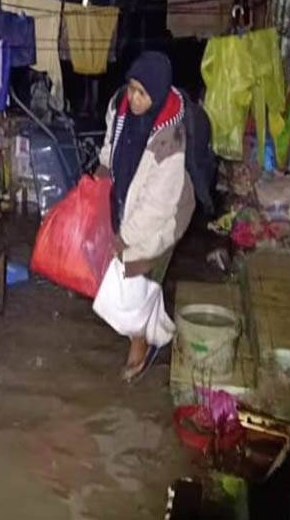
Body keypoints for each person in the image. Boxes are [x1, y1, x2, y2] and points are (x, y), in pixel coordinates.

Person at [94, 51, 195, 382]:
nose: (134, 99)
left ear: (159, 94)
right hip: (129, 200)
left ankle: (141, 345)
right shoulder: (119, 107)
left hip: (164, 217)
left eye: (142, 93)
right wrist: (103, 170)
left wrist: (125, 239)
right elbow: (112, 141)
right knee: (130, 279)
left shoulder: (170, 139)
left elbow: (157, 206)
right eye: (131, 88)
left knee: (138, 277)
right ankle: (158, 333)